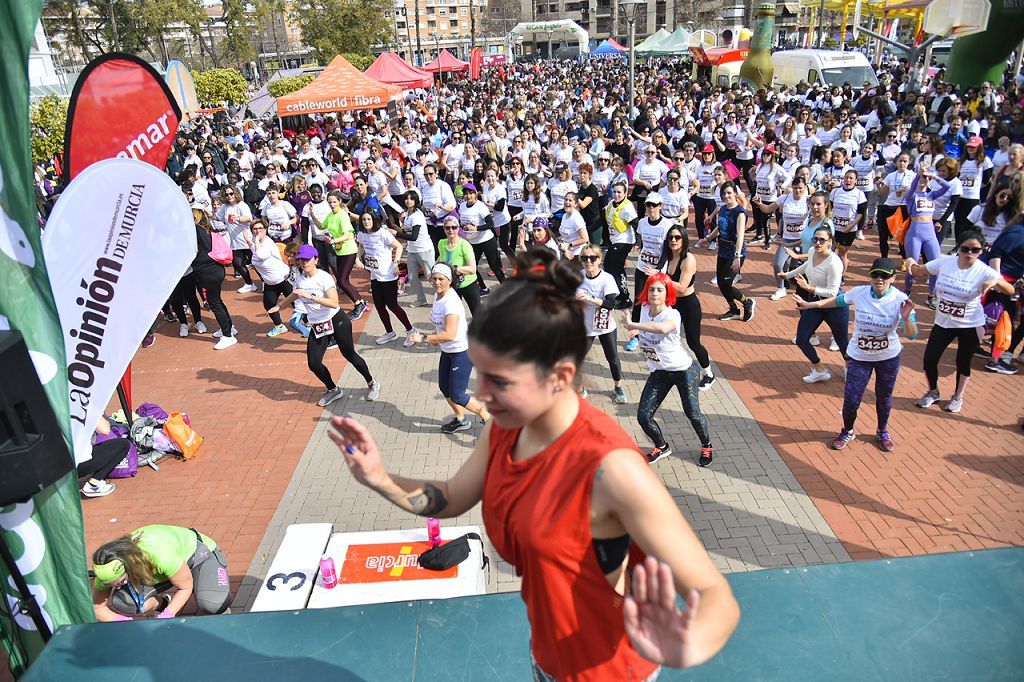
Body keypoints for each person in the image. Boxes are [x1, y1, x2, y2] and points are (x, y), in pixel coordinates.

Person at [330, 250, 739, 680]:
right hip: (545, 659)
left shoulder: (612, 469)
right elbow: (451, 497)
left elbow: (714, 594)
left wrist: (684, 643)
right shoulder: (506, 429)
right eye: (480, 373)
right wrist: (379, 477)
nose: (481, 394)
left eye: (500, 380)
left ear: (560, 377)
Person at [796, 257, 918, 451]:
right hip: (859, 357)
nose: (880, 279)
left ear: (893, 278)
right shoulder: (859, 293)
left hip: (887, 358)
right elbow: (836, 300)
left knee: (883, 397)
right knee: (852, 399)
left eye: (885, 276)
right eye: (876, 275)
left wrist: (906, 319)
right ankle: (848, 431)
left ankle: (882, 431)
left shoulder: (901, 300)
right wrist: (810, 305)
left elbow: (912, 335)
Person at [910, 230, 1015, 413]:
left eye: (975, 250)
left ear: (981, 251)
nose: (969, 253)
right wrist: (910, 261)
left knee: (963, 362)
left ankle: (958, 396)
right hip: (943, 323)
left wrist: (994, 283)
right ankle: (933, 392)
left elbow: (1010, 290)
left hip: (970, 325)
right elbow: (918, 270)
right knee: (930, 359)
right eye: (965, 248)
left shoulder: (984, 271)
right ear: (958, 247)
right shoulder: (945, 262)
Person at [624, 273, 715, 467]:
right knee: (643, 416)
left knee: (692, 412)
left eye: (660, 289)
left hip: (684, 370)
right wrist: (637, 334)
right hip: (659, 372)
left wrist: (634, 326)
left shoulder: (673, 314)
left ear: (667, 294)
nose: (655, 293)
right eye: (651, 289)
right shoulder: (644, 309)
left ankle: (706, 445)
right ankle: (662, 447)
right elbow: (648, 331)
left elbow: (662, 329)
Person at [293, 244, 380, 407]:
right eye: (301, 260)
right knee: (314, 363)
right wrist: (280, 305)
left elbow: (334, 303)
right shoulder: (299, 276)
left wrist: (311, 297)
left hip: (336, 320)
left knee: (349, 355)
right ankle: (333, 389)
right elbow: (296, 292)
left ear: (316, 260)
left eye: (307, 259)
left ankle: (371, 382)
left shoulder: (324, 278)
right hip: (318, 325)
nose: (304, 263)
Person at [408, 263, 491, 433]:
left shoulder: (451, 302)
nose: (437, 282)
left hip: (461, 352)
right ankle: (461, 420)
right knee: (445, 388)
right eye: (434, 278)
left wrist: (423, 338)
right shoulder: (437, 296)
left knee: (458, 395)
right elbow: (440, 327)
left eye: (441, 279)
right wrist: (432, 334)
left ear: (450, 280)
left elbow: (449, 335)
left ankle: (487, 418)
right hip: (447, 351)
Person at [92, 525, 229, 621]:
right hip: (163, 569)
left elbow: (185, 587)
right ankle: (164, 603)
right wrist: (123, 621)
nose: (120, 587)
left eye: (121, 582)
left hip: (199, 556)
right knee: (126, 601)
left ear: (129, 564)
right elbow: (97, 608)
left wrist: (168, 615)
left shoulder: (159, 555)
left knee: (212, 604)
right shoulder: (107, 565)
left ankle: (226, 613)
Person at [778, 225, 848, 383]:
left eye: (821, 240)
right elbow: (807, 265)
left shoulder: (834, 263)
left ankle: (849, 366)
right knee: (802, 339)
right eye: (815, 239)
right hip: (815, 302)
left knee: (842, 341)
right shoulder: (812, 252)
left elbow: (832, 292)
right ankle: (820, 369)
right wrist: (787, 275)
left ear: (829, 242)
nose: (817, 243)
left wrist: (808, 287)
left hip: (834, 305)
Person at [661, 224, 716, 390]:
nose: (673, 241)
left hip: (688, 304)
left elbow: (682, 287)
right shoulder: (668, 256)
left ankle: (709, 374)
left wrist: (660, 278)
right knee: (669, 338)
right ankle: (674, 369)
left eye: (677, 237)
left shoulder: (688, 259)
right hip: (672, 303)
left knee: (693, 342)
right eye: (670, 238)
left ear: (684, 239)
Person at [697, 181, 756, 322]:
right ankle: (734, 309)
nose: (726, 196)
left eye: (729, 193)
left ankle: (747, 302)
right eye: (724, 193)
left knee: (725, 283)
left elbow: (740, 235)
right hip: (723, 249)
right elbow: (719, 228)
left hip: (735, 251)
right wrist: (708, 238)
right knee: (721, 282)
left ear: (735, 193)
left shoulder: (740, 212)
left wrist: (738, 257)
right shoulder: (722, 209)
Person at [355, 211, 416, 346]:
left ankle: (411, 331)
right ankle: (390, 333)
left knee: (392, 305)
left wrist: (396, 263)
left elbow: (398, 246)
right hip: (374, 275)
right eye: (364, 219)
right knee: (380, 306)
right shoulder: (362, 234)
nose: (366, 222)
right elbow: (360, 246)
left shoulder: (382, 233)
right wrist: (358, 258)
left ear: (374, 220)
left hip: (388, 275)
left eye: (368, 219)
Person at [575, 245, 627, 404]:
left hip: (605, 326)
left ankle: (618, 387)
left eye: (592, 258)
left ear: (599, 260)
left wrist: (589, 298)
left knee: (612, 359)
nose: (589, 261)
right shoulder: (578, 277)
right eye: (585, 258)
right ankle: (580, 388)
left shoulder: (607, 279)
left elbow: (611, 303)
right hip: (585, 326)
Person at [757, 177, 810, 301]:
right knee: (777, 264)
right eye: (795, 188)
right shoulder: (785, 198)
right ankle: (781, 289)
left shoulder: (808, 201)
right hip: (786, 239)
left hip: (803, 240)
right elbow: (768, 209)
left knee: (805, 266)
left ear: (805, 188)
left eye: (800, 188)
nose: (798, 191)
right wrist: (759, 204)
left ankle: (807, 289)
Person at [902, 167, 950, 299]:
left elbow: (947, 186)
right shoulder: (911, 196)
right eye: (923, 177)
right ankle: (907, 290)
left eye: (926, 178)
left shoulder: (931, 195)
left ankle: (932, 294)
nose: (924, 180)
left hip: (930, 233)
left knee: (935, 264)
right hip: (915, 234)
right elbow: (911, 188)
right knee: (912, 264)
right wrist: (919, 175)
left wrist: (933, 176)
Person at [192, 209, 236, 350]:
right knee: (217, 301)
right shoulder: (207, 230)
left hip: (207, 272)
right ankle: (229, 328)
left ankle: (228, 335)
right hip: (216, 269)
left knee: (214, 303)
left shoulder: (195, 232)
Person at [322, 190, 369, 320]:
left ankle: (358, 304)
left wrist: (332, 241)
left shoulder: (342, 215)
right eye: (330, 202)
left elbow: (347, 235)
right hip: (339, 251)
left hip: (349, 250)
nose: (332, 204)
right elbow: (321, 226)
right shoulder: (330, 215)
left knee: (342, 281)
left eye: (334, 202)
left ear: (340, 202)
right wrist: (312, 214)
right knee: (344, 280)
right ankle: (361, 302)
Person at [244, 218, 294, 337]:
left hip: (283, 278)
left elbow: (260, 254)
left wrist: (255, 240)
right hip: (270, 282)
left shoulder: (268, 243)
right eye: (254, 229)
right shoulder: (257, 244)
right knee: (269, 304)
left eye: (260, 229)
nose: (257, 231)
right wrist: (248, 241)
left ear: (266, 230)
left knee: (296, 304)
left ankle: (310, 325)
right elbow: (255, 250)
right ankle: (279, 326)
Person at [458, 182, 506, 296]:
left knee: (494, 266)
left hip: (487, 240)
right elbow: (462, 221)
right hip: (473, 241)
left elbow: (490, 224)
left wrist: (476, 227)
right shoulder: (462, 206)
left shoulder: (480, 206)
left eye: (471, 193)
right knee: (471, 267)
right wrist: (463, 226)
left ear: (475, 194)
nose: (468, 196)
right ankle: (483, 288)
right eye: (466, 194)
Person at [395, 190, 436, 308]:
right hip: (412, 250)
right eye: (407, 199)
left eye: (411, 199)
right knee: (412, 278)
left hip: (424, 250)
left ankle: (444, 298)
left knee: (431, 277)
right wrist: (397, 229)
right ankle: (421, 299)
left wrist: (396, 234)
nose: (409, 201)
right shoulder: (407, 214)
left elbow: (413, 236)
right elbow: (406, 231)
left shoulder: (417, 215)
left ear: (416, 201)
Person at [604, 182, 639, 309]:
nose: (617, 194)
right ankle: (618, 292)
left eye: (619, 192)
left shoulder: (627, 207)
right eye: (615, 192)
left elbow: (636, 224)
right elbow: (603, 220)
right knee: (608, 267)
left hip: (624, 241)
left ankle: (626, 298)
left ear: (625, 193)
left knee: (616, 268)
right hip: (614, 240)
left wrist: (639, 242)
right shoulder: (611, 204)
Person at [438, 215, 482, 315]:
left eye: (454, 227)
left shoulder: (465, 245)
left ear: (458, 228)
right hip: (451, 285)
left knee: (477, 314)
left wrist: (454, 269)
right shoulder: (441, 243)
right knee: (453, 313)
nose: (451, 230)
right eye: (447, 228)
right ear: (444, 229)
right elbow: (441, 258)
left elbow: (472, 269)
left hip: (468, 284)